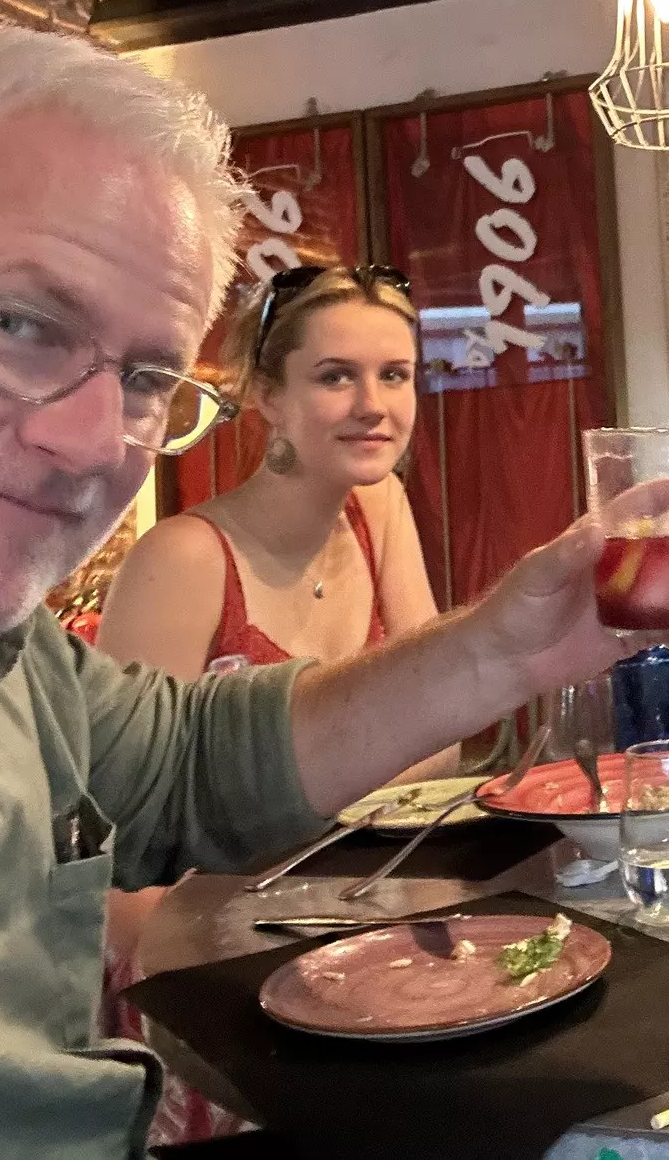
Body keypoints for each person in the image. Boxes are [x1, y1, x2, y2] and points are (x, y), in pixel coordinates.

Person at [0, 24, 669, 1158]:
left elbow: (182, 758)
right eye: (21, 324)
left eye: (146, 378)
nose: (91, 440)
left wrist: (502, 649)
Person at [95, 262, 450, 1144]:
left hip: (350, 922)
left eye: (394, 375)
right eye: (336, 376)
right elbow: (116, 851)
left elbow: (442, 732)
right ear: (267, 397)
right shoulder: (184, 559)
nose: (374, 403)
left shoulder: (380, 507)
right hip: (197, 982)